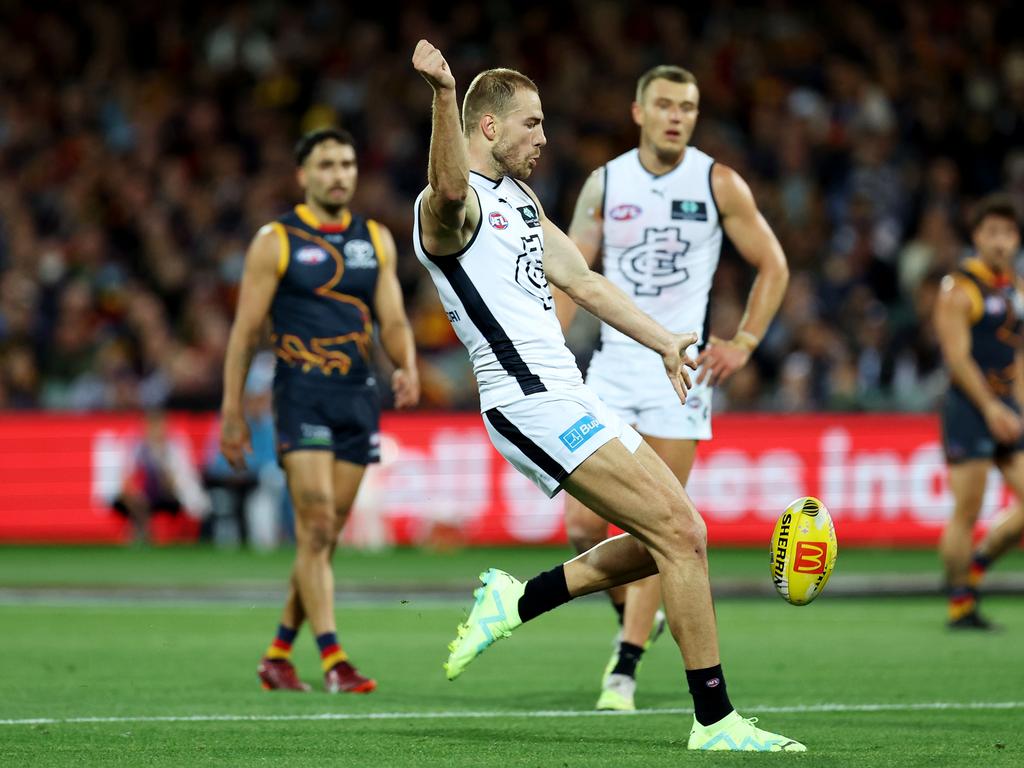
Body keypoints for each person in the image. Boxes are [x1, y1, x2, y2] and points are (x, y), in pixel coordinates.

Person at [411, 39, 804, 752]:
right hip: (528, 401)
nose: (544, 137)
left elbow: (585, 283)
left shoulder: (521, 202)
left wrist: (663, 341)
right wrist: (444, 95)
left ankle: (517, 600)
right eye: (531, 123)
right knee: (682, 535)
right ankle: (715, 721)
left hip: (571, 389)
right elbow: (445, 190)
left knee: (677, 535)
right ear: (490, 127)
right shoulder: (449, 211)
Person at [558, 65, 789, 711]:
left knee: (661, 525)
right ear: (638, 111)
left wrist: (743, 342)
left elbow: (772, 264)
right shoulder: (605, 182)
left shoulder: (718, 182)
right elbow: (572, 273)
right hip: (609, 365)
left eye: (686, 106)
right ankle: (638, 611)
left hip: (679, 371)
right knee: (581, 521)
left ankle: (624, 669)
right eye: (663, 104)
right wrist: (545, 348)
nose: (676, 116)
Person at [220, 127, 419, 693]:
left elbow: (394, 318)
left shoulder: (375, 239)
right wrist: (231, 411)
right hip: (300, 393)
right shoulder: (275, 240)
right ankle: (335, 661)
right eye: (327, 165)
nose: (340, 174)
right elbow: (243, 333)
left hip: (358, 397)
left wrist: (405, 363)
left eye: (348, 164)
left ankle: (278, 654)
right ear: (304, 175)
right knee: (315, 523)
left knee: (323, 537)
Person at [934, 194, 1024, 630]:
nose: (1001, 242)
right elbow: (957, 357)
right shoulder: (959, 288)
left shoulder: (1017, 289)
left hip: (1007, 408)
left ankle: (975, 569)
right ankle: (959, 605)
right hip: (969, 408)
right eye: (992, 232)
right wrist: (990, 408)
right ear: (977, 237)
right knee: (967, 510)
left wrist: (1016, 406)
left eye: (1008, 233)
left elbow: (1018, 355)